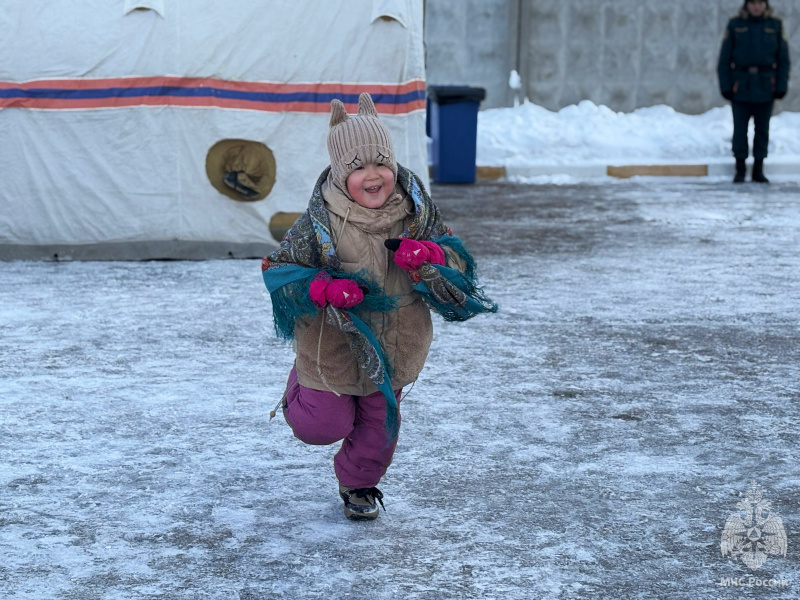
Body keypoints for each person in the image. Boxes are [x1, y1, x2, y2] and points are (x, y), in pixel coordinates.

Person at [261, 93, 497, 521]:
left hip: (396, 343)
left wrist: (430, 257)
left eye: (380, 162)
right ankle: (300, 386)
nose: (373, 175)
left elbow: (455, 253)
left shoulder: (414, 210)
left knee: (378, 427)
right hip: (331, 346)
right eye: (357, 167)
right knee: (322, 425)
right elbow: (280, 270)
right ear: (339, 171)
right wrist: (323, 288)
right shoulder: (321, 221)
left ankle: (358, 486)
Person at [717, 0, 790, 183]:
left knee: (762, 129)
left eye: (760, 3)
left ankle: (758, 169)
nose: (756, 7)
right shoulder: (735, 25)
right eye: (753, 3)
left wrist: (781, 86)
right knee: (740, 129)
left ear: (765, 5)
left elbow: (783, 60)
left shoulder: (775, 25)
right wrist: (726, 86)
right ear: (746, 5)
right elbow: (724, 59)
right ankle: (740, 169)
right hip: (741, 84)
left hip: (766, 84)